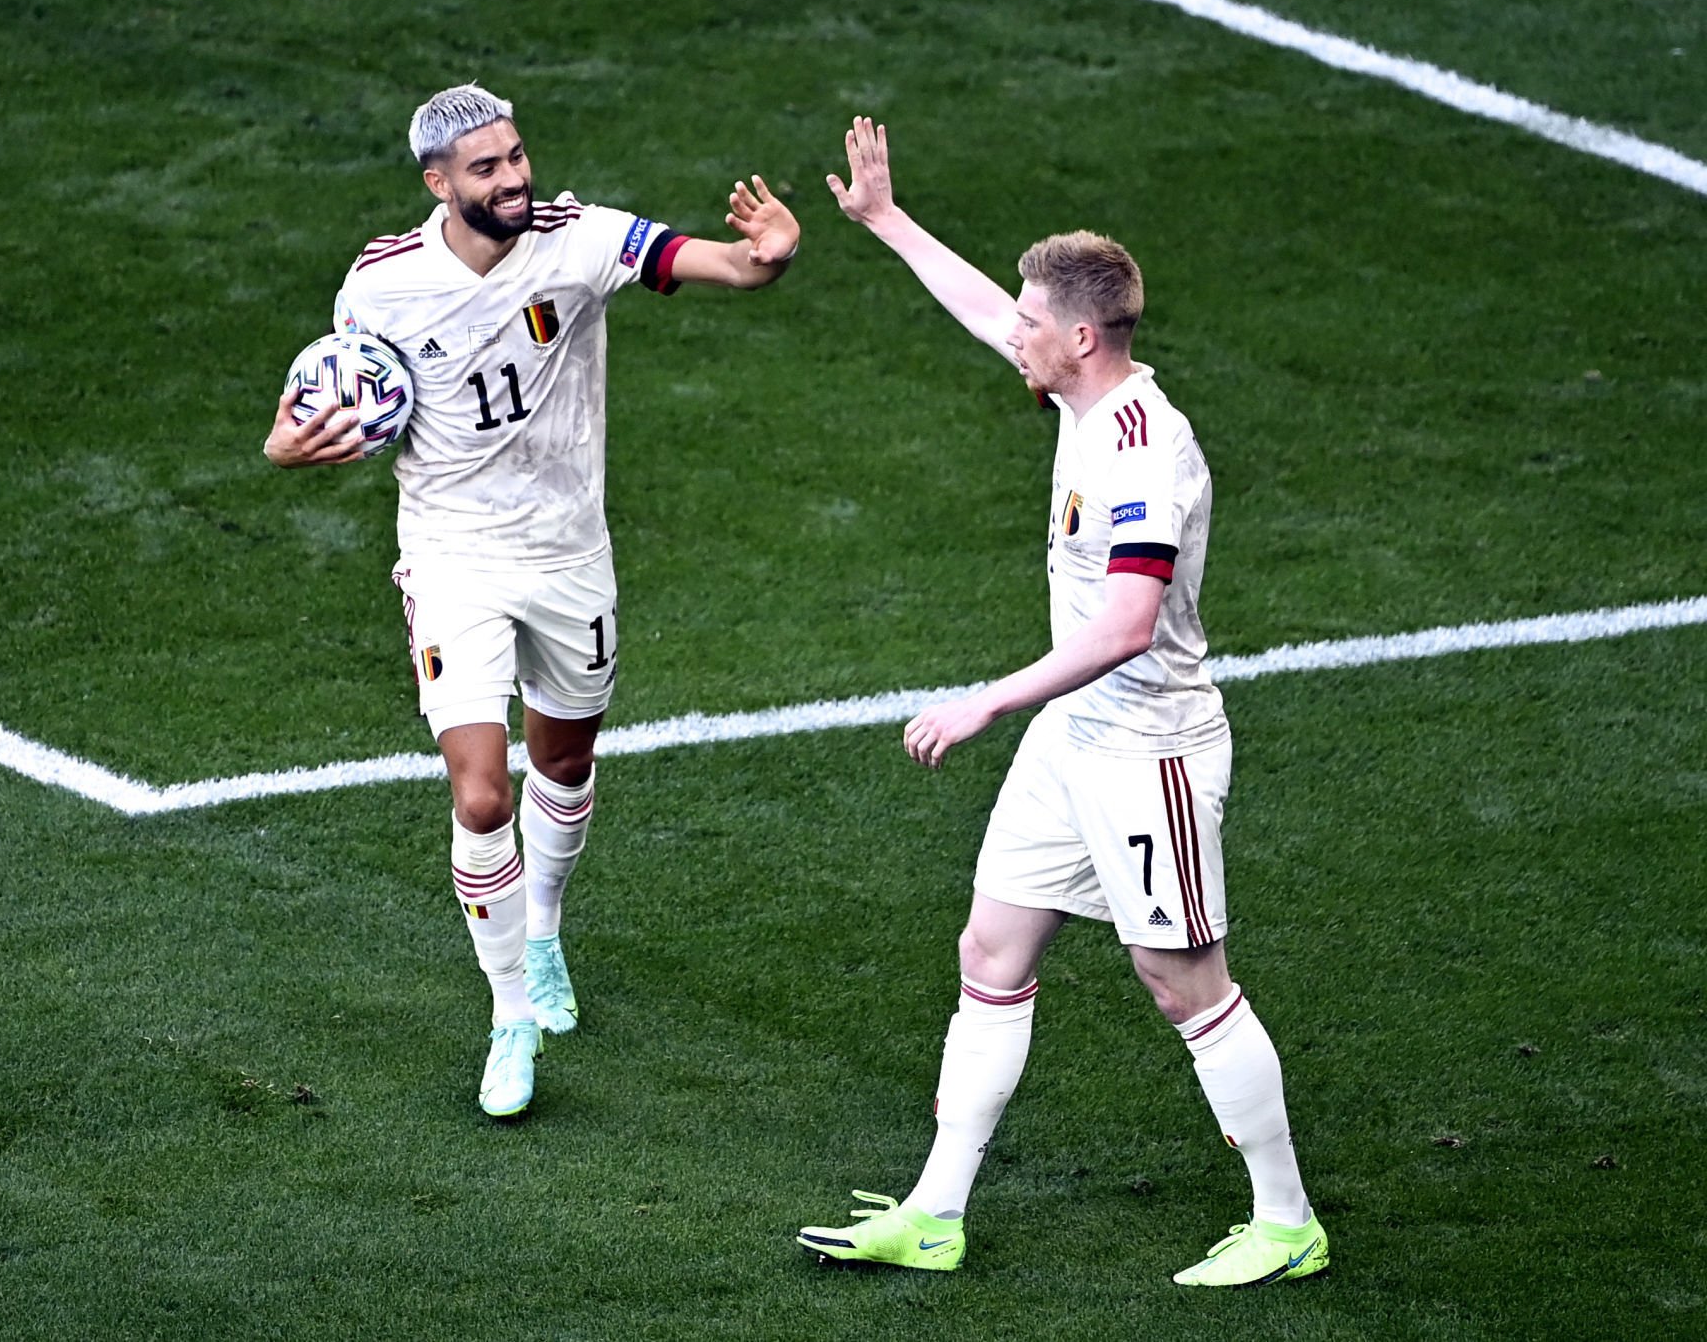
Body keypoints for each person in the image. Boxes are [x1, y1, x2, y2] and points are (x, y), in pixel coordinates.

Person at [795, 117, 1326, 1288]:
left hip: (1149, 749)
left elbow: (1128, 624)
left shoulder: (1142, 451)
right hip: (1074, 736)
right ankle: (935, 1212)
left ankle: (1286, 1219)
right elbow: (985, 310)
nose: (1012, 334)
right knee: (989, 947)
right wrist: (884, 221)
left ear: (1081, 338)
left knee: (1182, 983)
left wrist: (985, 703)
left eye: (1031, 322)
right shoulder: (1082, 394)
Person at [262, 85, 798, 1119]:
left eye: (515, 157)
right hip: (452, 558)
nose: (513, 179)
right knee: (481, 798)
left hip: (567, 556)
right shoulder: (380, 283)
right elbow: (334, 398)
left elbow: (719, 263)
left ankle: (542, 930)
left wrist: (765, 255)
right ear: (438, 183)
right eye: (487, 168)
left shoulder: (580, 240)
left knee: (563, 761)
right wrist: (288, 447)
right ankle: (510, 1013)